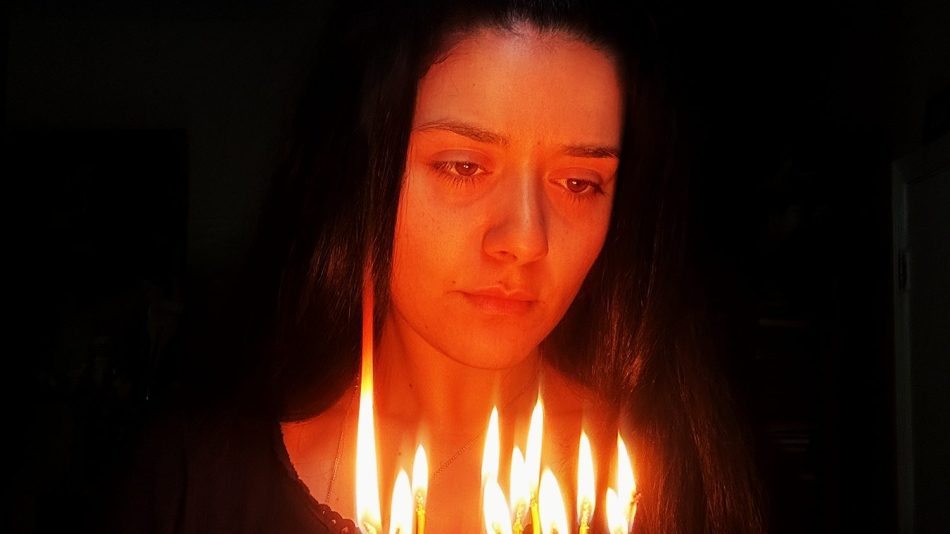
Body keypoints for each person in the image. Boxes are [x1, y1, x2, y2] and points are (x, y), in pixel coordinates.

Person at [110, 1, 765, 533]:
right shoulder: (195, 482)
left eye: (579, 182)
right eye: (463, 167)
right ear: (361, 170)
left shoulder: (663, 482)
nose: (525, 240)